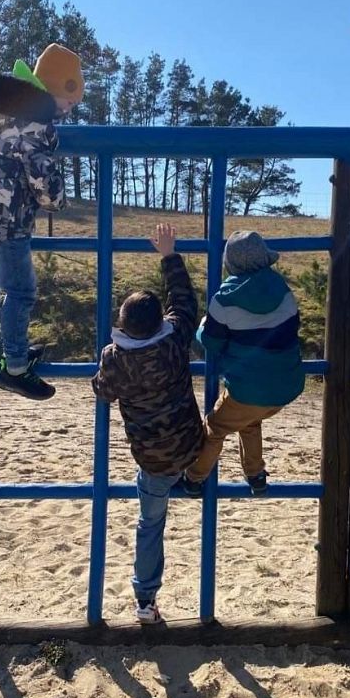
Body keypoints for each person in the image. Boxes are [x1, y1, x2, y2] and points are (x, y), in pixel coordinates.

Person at [91, 223, 204, 623]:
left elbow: (103, 392)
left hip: (153, 458)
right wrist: (169, 256)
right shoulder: (175, 340)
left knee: (150, 523)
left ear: (123, 324)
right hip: (191, 445)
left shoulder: (115, 358)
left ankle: (145, 599)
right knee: (200, 459)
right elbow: (185, 301)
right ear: (161, 321)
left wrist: (104, 365)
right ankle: (194, 478)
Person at [0, 44, 84, 400]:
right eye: (68, 100)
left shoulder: (1, 110)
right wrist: (58, 201)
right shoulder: (34, 122)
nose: (68, 109)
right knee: (21, 291)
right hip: (7, 221)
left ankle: (15, 350)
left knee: (14, 289)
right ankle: (14, 367)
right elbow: (43, 182)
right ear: (54, 88)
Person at [182, 230, 305, 497]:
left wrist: (202, 327)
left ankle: (194, 478)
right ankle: (255, 475)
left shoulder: (223, 299)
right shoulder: (283, 289)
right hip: (288, 384)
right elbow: (294, 325)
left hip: (249, 389)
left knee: (215, 427)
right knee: (249, 420)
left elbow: (211, 342)